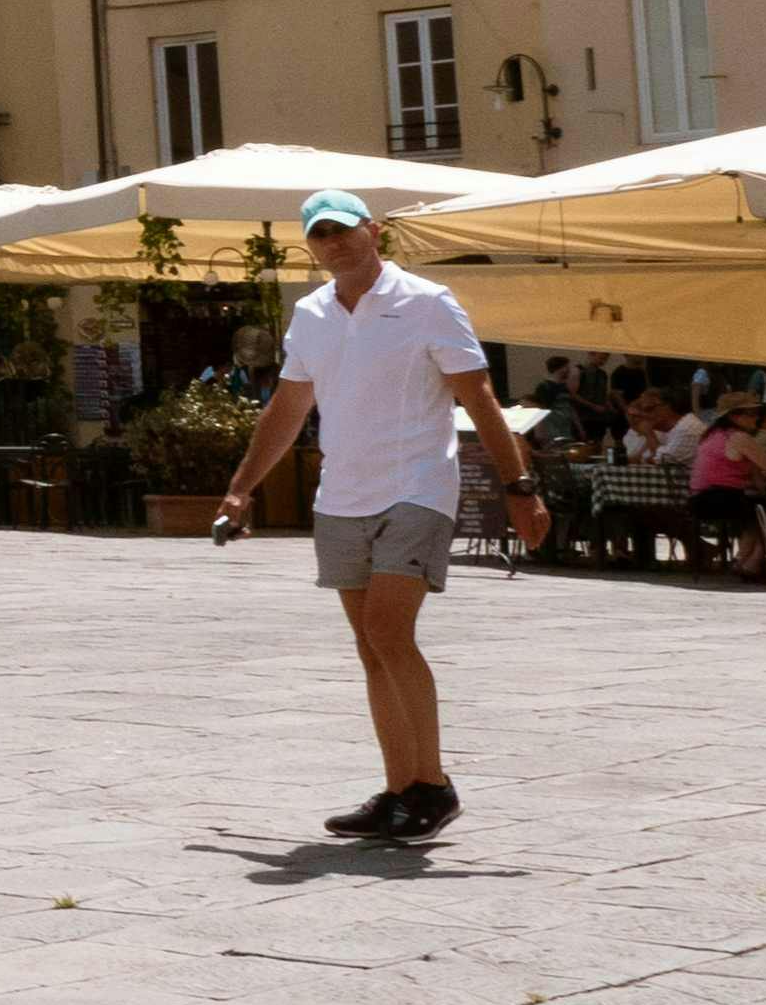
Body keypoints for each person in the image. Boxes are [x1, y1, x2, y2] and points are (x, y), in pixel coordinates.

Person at [214, 192, 549, 845]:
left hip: (416, 487)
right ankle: (400, 790)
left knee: (386, 630)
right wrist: (239, 489)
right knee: (371, 648)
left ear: (372, 231)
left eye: (342, 230)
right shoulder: (309, 314)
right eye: (319, 236)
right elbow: (286, 407)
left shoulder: (425, 301)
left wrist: (519, 487)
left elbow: (477, 394)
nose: (333, 243)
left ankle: (432, 786)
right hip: (340, 495)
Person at [689, 391, 766, 583]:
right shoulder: (739, 437)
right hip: (719, 498)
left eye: (757, 413)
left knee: (759, 508)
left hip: (699, 499)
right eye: (750, 414)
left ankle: (742, 560)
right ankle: (751, 563)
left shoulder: (711, 434)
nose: (756, 418)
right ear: (733, 416)